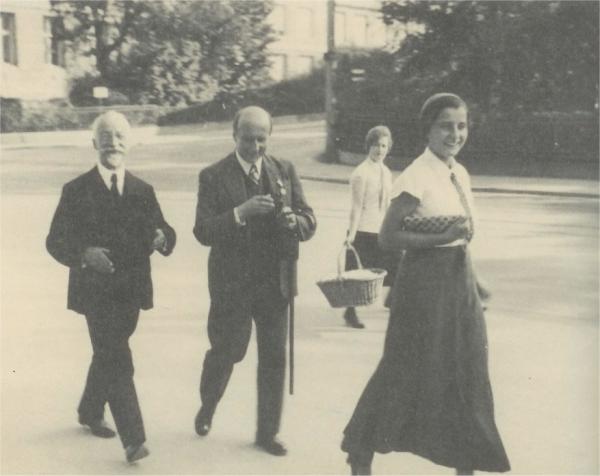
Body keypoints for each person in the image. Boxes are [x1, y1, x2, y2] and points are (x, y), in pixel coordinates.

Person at [341, 93, 510, 475]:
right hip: (423, 286)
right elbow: (388, 237)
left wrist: (474, 279)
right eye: (446, 126)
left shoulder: (459, 172)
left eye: (461, 126)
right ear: (428, 130)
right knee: (404, 370)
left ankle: (466, 463)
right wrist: (441, 238)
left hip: (458, 283)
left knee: (468, 369)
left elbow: (460, 237)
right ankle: (361, 446)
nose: (455, 134)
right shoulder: (416, 175)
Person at [46, 111, 176, 464]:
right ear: (94, 143)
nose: (113, 143)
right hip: (94, 293)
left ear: (129, 143)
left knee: (107, 352)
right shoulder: (75, 190)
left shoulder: (142, 190)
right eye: (105, 137)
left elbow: (165, 230)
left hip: (132, 292)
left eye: (120, 136)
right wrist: (84, 255)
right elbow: (55, 241)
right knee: (118, 356)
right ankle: (134, 439)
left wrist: (163, 237)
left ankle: (89, 409)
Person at [192, 106, 316, 456]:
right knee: (227, 350)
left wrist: (296, 222)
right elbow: (202, 231)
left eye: (262, 139)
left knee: (274, 357)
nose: (256, 147)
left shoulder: (284, 170)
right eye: (248, 139)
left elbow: (309, 219)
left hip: (274, 282)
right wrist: (240, 213)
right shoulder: (213, 175)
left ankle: (267, 433)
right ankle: (208, 404)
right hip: (232, 283)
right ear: (234, 135)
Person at [343, 125, 395, 329]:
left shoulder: (386, 172)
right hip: (364, 230)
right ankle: (350, 312)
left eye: (383, 146)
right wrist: (351, 235)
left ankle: (392, 299)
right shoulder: (360, 174)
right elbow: (356, 206)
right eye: (376, 145)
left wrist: (393, 226)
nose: (379, 150)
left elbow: (388, 203)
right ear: (368, 146)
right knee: (356, 274)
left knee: (398, 265)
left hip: (382, 229)